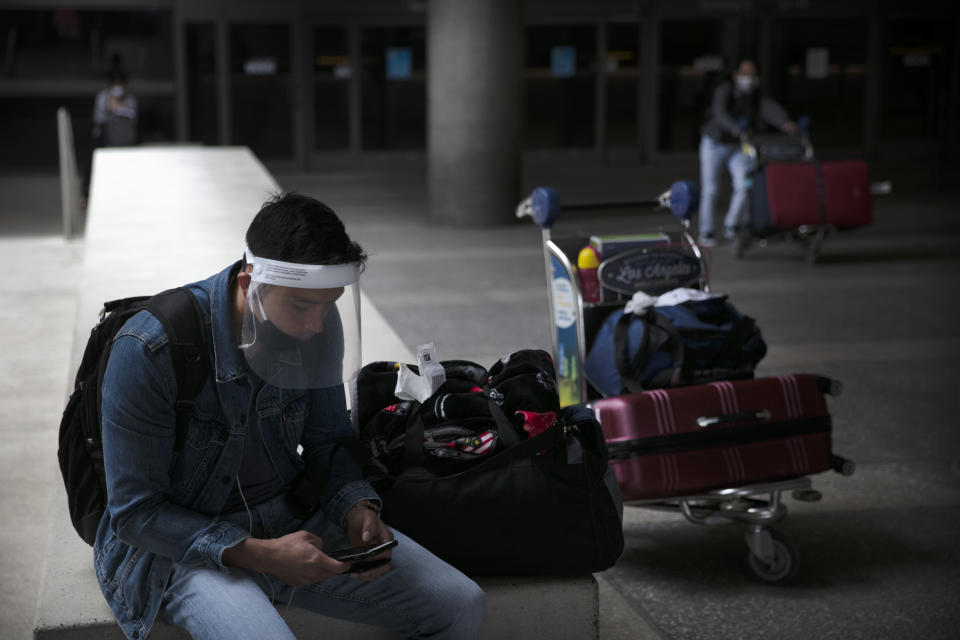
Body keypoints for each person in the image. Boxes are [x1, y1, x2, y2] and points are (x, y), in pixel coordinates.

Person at [95, 192, 486, 640]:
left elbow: (327, 441)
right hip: (181, 549)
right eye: (302, 306)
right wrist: (258, 554)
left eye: (330, 302)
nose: (318, 325)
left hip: (289, 518)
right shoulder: (150, 349)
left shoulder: (317, 323)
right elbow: (135, 514)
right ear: (249, 285)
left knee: (460, 604)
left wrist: (357, 507)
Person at [697, 59, 796, 247]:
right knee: (710, 190)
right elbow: (720, 114)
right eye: (745, 74)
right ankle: (706, 231)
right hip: (714, 144)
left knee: (744, 185)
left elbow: (769, 108)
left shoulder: (756, 94)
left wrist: (784, 122)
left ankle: (731, 225)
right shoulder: (724, 89)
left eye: (752, 74)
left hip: (737, 146)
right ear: (736, 75)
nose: (749, 78)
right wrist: (737, 129)